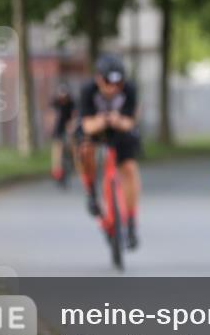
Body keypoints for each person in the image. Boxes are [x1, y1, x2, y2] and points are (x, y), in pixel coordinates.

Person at [76, 53, 143, 249]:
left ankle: (130, 222)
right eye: (108, 82)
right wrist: (103, 121)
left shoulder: (130, 90)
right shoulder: (88, 90)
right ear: (98, 78)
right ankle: (90, 191)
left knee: (129, 168)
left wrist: (117, 121)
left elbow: (130, 121)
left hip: (119, 130)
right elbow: (86, 125)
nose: (113, 88)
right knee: (84, 148)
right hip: (95, 128)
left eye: (118, 83)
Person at [49, 83, 76, 184]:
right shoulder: (55, 102)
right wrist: (51, 124)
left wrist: (72, 126)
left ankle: (73, 161)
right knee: (57, 148)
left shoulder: (72, 103)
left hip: (68, 126)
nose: (63, 99)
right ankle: (56, 169)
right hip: (58, 127)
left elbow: (74, 115)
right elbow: (51, 115)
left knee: (72, 144)